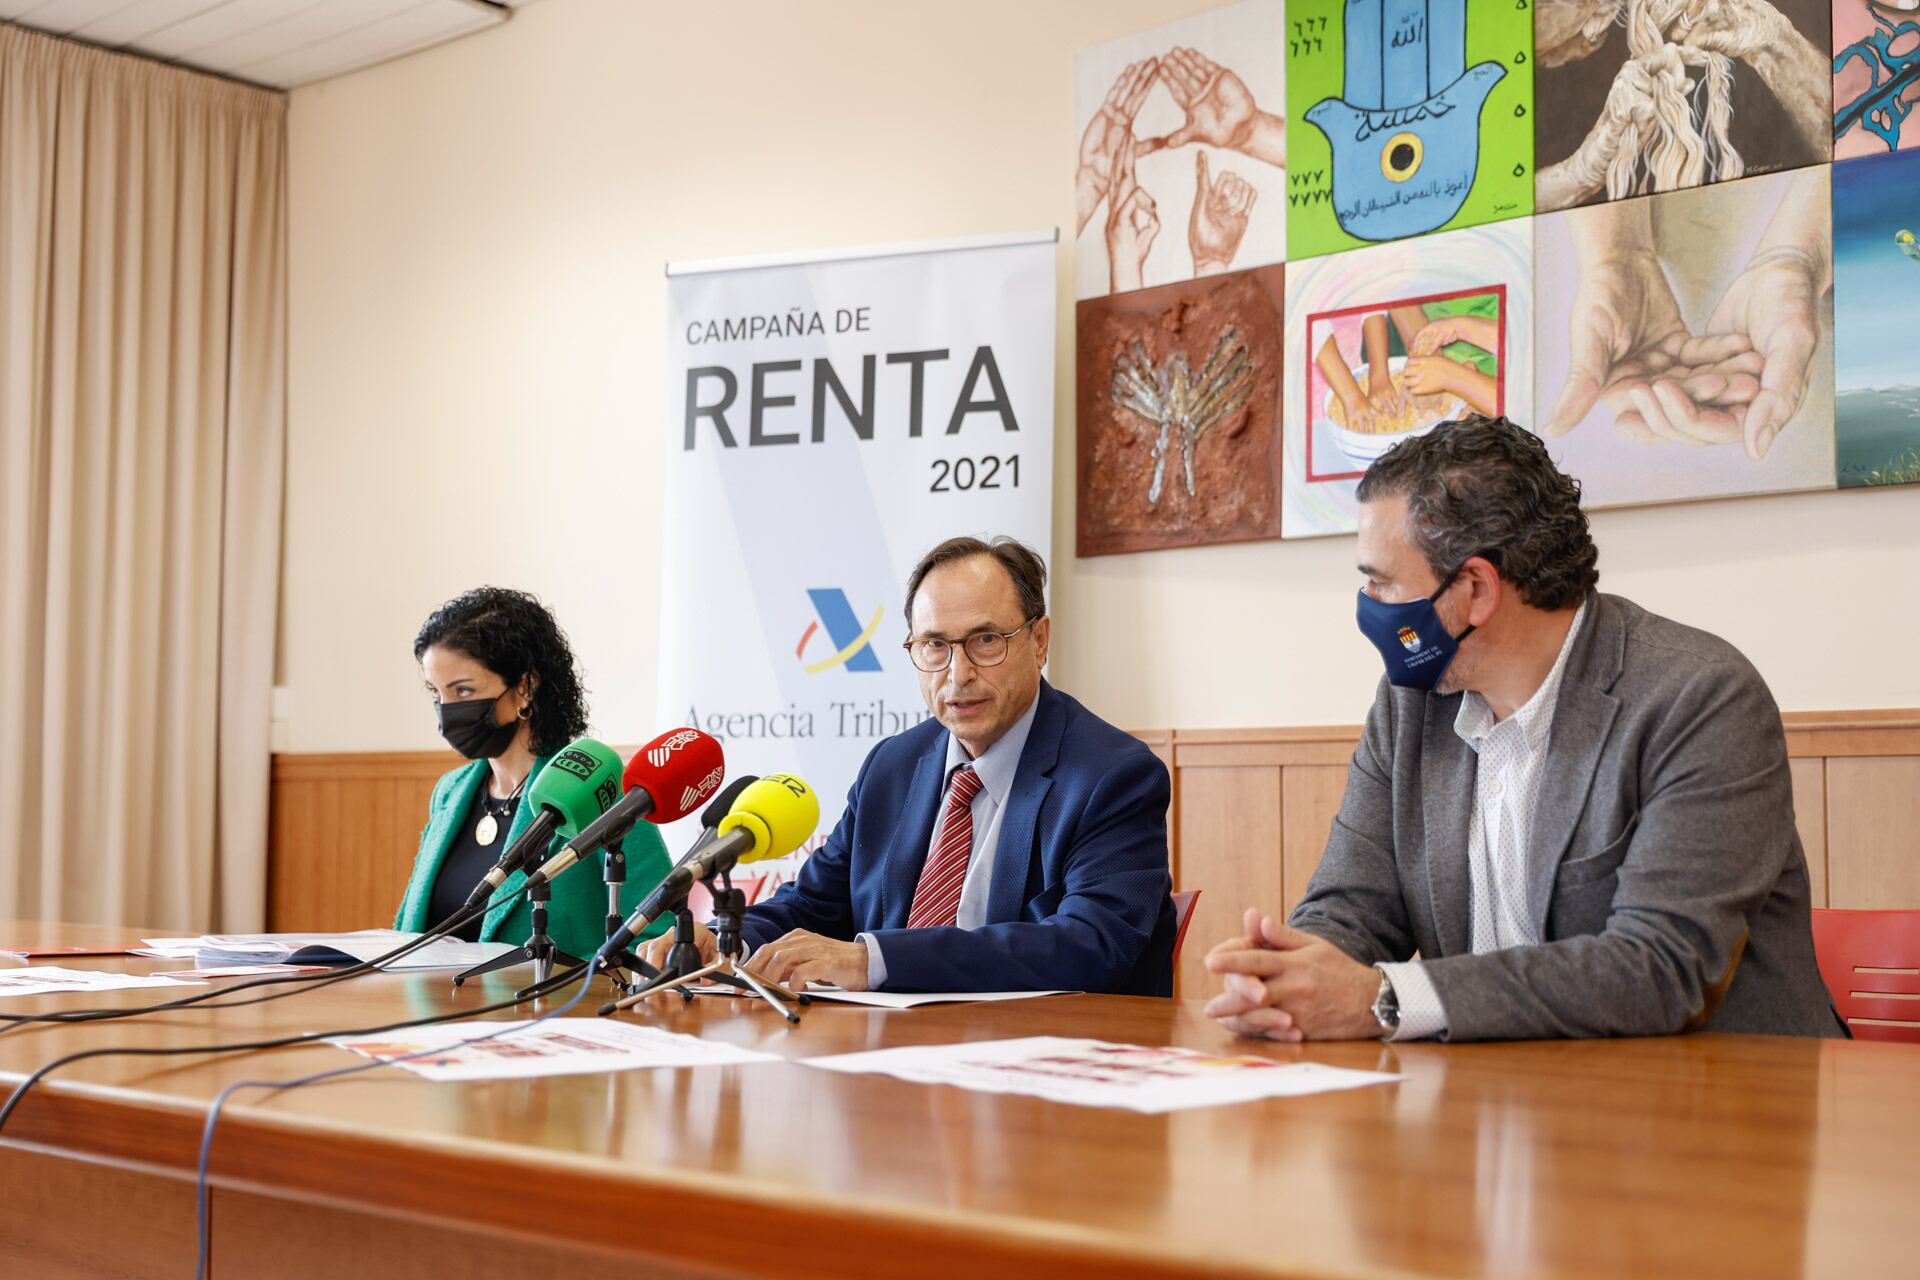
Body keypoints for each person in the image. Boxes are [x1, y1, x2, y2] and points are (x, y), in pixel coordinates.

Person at [1206, 416, 1842, 1041]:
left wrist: (1386, 1000)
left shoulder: (1698, 699)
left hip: (1724, 1114)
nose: (1370, 605)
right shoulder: (1412, 706)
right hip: (1510, 1105)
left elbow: (1661, 967)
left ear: (1477, 590)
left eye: (1381, 582)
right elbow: (1354, 906)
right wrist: (1288, 977)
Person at [642, 537, 1177, 994]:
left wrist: (873, 960)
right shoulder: (891, 767)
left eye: (986, 641)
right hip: (886, 1059)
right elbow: (811, 906)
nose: (957, 672)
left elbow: (1092, 945)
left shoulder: (1113, 775)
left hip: (1042, 1070)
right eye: (934, 645)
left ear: (1039, 641)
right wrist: (724, 938)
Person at [394, 587, 670, 958]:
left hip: (555, 1011)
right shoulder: (450, 792)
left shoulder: (599, 788)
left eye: (462, 691)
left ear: (525, 687)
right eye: (436, 693)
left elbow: (657, 934)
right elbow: (408, 931)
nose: (445, 710)